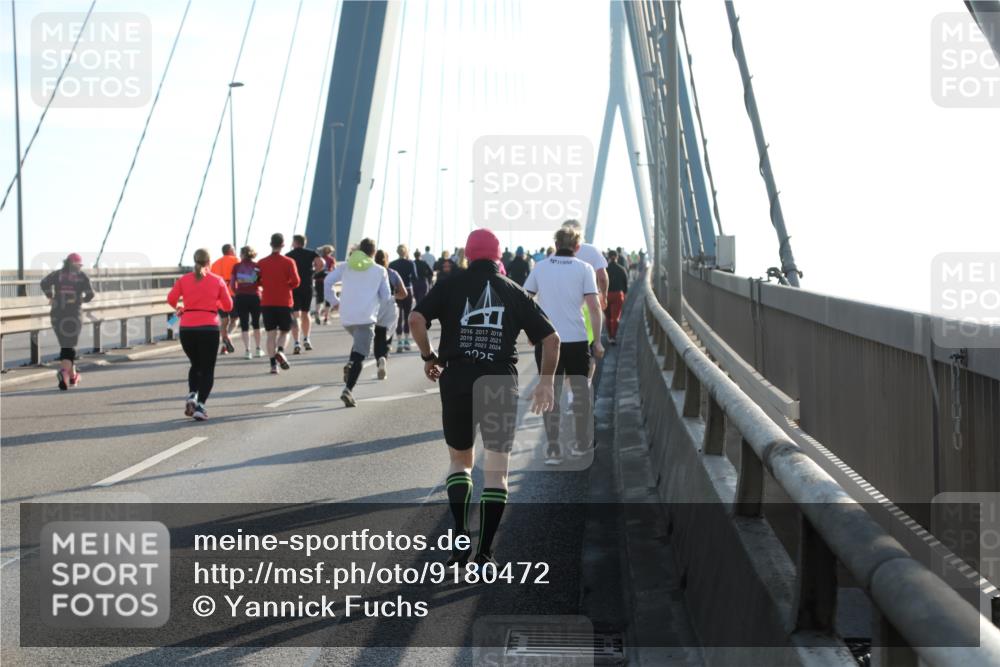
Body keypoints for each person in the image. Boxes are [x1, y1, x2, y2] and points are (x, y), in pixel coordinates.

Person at [409, 228, 560, 569]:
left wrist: (428, 357)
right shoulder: (514, 290)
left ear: (468, 253)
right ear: (498, 256)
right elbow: (552, 340)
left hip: (457, 378)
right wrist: (546, 383)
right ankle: (486, 553)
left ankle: (460, 539)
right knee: (496, 472)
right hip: (499, 382)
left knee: (460, 463)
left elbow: (416, 318)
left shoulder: (449, 284)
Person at [524, 226, 604, 464]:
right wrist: (597, 340)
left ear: (556, 244)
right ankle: (581, 445)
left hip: (547, 341)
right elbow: (594, 306)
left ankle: (553, 450)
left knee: (550, 394)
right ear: (577, 247)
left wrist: (532, 330)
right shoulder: (584, 268)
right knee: (580, 394)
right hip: (577, 340)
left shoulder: (540, 267)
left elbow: (525, 298)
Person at [167, 249, 233, 420]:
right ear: (209, 262)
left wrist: (180, 308)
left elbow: (171, 299)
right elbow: (229, 306)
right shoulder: (217, 280)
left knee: (195, 365)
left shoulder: (183, 279)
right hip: (208, 328)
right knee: (207, 369)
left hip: (187, 329)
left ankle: (191, 395)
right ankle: (200, 406)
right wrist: (215, 302)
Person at [324, 238, 391, 407]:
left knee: (358, 342)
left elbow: (327, 281)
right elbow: (386, 297)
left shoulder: (345, 266)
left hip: (346, 317)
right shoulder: (379, 270)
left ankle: (350, 362)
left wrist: (334, 301)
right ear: (373, 253)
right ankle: (348, 389)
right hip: (366, 317)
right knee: (361, 354)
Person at [40, 253, 95, 390]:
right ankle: (64, 373)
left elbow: (43, 282)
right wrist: (81, 300)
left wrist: (50, 296)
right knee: (70, 346)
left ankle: (72, 376)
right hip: (73, 313)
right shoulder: (82, 276)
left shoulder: (57, 274)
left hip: (57, 313)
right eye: (80, 265)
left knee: (65, 345)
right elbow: (90, 294)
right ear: (76, 264)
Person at [258, 233, 301, 374]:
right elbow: (296, 282)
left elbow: (255, 280)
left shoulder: (261, 263)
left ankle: (273, 366)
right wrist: (286, 285)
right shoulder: (289, 262)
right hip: (284, 301)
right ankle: (281, 351)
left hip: (267, 302)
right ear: (283, 245)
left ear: (271, 244)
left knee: (271, 334)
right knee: (285, 331)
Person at [374, 249, 410, 380]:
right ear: (386, 260)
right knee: (387, 335)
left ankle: (379, 358)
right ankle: (384, 357)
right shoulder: (392, 273)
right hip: (390, 306)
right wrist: (393, 297)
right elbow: (404, 293)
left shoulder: (371, 273)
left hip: (374, 307)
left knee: (377, 336)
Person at [286, 234, 323, 354]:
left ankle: (296, 342)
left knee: (296, 315)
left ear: (295, 242)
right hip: (307, 285)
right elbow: (321, 263)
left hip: (294, 287)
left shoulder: (289, 255)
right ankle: (306, 338)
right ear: (304, 242)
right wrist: (314, 272)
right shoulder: (312, 253)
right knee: (306, 313)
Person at [230, 245, 264, 359]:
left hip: (241, 297)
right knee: (256, 324)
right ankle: (258, 349)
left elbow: (232, 284)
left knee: (244, 324)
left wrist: (237, 292)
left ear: (243, 254)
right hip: (255, 296)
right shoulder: (257, 266)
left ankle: (247, 351)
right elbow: (258, 281)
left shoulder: (236, 266)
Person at [210, 244, 240, 356]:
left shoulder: (215, 263)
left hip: (219, 295)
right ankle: (228, 337)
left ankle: (224, 345)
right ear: (231, 250)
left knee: (224, 320)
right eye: (234, 249)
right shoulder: (236, 260)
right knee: (235, 319)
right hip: (232, 293)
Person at [605, 250, 629, 345]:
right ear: (617, 257)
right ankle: (613, 336)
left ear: (608, 257)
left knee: (608, 317)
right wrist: (625, 294)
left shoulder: (604, 269)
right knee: (615, 317)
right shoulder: (622, 269)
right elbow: (625, 284)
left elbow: (599, 281)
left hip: (606, 295)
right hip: (618, 295)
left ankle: (609, 335)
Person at [313, 245, 336, 325]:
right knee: (328, 300)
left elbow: (314, 269)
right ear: (330, 252)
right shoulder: (331, 259)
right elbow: (333, 270)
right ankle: (326, 319)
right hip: (328, 281)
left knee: (319, 298)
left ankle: (317, 313)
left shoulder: (317, 259)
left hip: (318, 281)